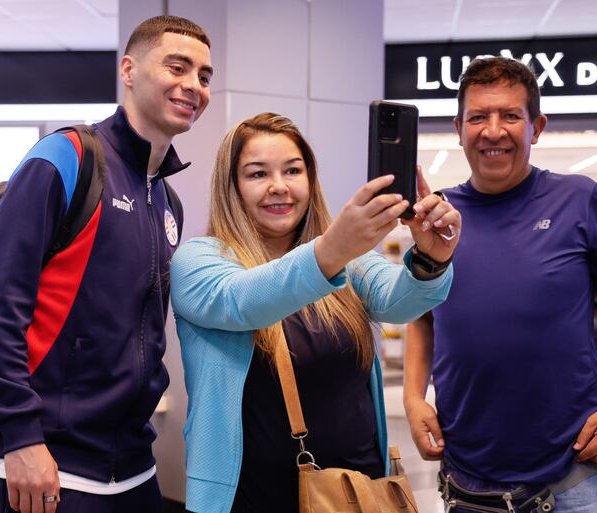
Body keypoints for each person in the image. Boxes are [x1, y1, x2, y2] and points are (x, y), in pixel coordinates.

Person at [0, 15, 212, 513]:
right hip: (45, 461)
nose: (194, 86)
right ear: (129, 69)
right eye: (177, 67)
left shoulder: (167, 200)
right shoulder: (67, 157)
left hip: (132, 463)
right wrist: (20, 436)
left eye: (204, 76)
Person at [169, 112, 462, 513]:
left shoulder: (347, 263)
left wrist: (431, 259)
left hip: (356, 495)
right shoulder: (200, 260)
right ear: (231, 186)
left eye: (293, 170)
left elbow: (401, 300)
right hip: (250, 499)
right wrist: (334, 248)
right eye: (257, 174)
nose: (279, 187)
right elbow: (241, 302)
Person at [403, 56, 597, 513]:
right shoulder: (437, 214)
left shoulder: (579, 199)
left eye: (510, 115)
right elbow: (421, 314)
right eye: (478, 117)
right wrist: (413, 398)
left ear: (537, 126)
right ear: (458, 127)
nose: (493, 130)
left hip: (571, 480)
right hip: (467, 481)